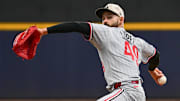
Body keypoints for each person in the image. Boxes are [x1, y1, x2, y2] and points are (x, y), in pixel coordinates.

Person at [37, 3, 165, 101]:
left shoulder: (106, 31)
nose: (105, 21)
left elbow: (77, 26)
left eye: (110, 17)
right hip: (134, 92)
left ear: (121, 20)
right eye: (103, 18)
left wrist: (44, 31)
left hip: (127, 92)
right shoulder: (137, 42)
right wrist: (152, 69)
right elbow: (155, 54)